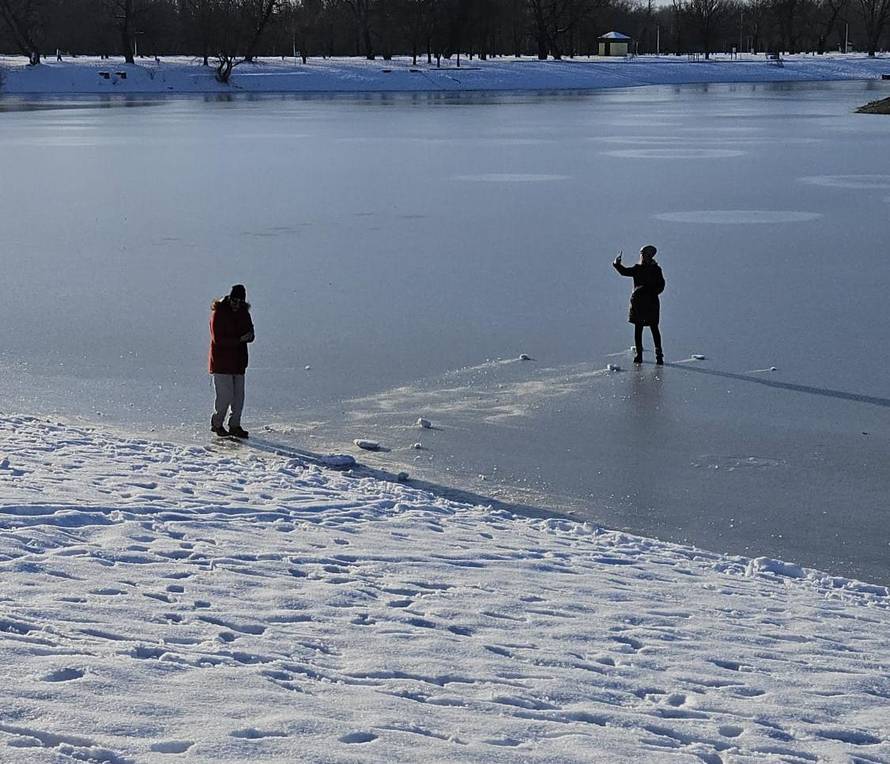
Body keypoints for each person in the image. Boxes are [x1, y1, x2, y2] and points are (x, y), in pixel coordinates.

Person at [209, 284, 255, 438]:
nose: (237, 304)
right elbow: (218, 339)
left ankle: (235, 425)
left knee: (238, 398)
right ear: (229, 298)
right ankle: (217, 424)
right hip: (222, 363)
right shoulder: (219, 312)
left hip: (239, 362)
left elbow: (250, 331)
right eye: (234, 301)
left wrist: (250, 336)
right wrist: (239, 340)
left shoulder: (244, 312)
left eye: (240, 302)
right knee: (225, 397)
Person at [613, 245, 665, 365]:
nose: (642, 257)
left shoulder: (656, 270)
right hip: (639, 303)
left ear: (649, 256)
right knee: (639, 329)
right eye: (641, 254)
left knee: (653, 328)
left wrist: (652, 292)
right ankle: (639, 354)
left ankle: (659, 355)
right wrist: (617, 264)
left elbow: (661, 284)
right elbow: (625, 272)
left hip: (650, 303)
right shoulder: (639, 268)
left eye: (643, 254)